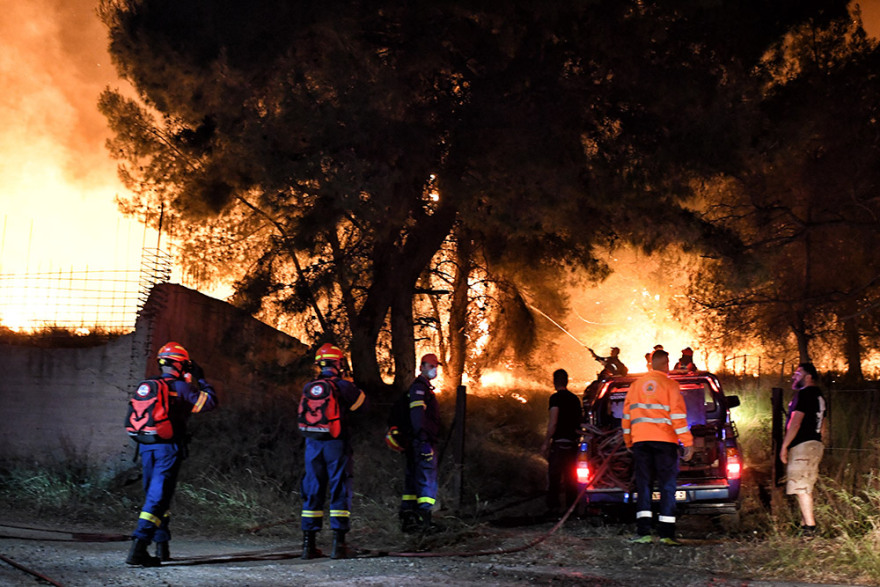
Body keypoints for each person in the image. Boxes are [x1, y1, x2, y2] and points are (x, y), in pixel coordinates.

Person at [126, 342, 219, 566]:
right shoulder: (183, 387)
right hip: (168, 448)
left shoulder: (149, 385)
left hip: (146, 446)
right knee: (158, 497)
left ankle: (161, 546)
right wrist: (202, 380)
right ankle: (139, 546)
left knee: (157, 495)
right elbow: (209, 403)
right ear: (181, 364)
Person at [300, 343, 367, 560]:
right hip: (336, 444)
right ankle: (339, 545)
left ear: (319, 364)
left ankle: (308, 546)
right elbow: (362, 406)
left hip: (312, 445)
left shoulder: (309, 386)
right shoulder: (343, 386)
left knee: (312, 488)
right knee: (339, 487)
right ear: (339, 362)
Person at [622, 349, 694, 545]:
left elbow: (627, 417)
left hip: (641, 443)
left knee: (643, 485)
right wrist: (687, 443)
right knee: (667, 486)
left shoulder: (636, 386)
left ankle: (643, 532)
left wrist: (629, 441)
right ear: (667, 364)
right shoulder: (671, 386)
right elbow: (678, 417)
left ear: (650, 363)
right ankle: (666, 534)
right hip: (665, 442)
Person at [780, 362, 826, 536]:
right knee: (806, 485)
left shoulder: (805, 394)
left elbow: (796, 422)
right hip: (815, 444)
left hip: (802, 446)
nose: (794, 376)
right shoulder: (819, 396)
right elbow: (823, 425)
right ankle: (804, 523)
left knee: (801, 488)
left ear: (808, 376)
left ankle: (810, 529)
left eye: (798, 373)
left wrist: (784, 446)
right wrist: (820, 443)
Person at [399, 353, 442, 533]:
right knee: (426, 479)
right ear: (422, 366)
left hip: (416, 441)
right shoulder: (419, 389)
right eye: (431, 366)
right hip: (422, 442)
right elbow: (418, 417)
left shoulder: (422, 388)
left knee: (413, 479)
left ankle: (409, 518)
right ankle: (424, 520)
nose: (434, 370)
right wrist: (424, 440)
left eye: (435, 366)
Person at [541, 369, 584, 517]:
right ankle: (572, 509)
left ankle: (553, 509)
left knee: (554, 477)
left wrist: (546, 442)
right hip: (572, 445)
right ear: (567, 381)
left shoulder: (555, 398)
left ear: (554, 381)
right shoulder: (575, 399)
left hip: (559, 445)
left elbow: (553, 422)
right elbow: (580, 422)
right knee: (571, 478)